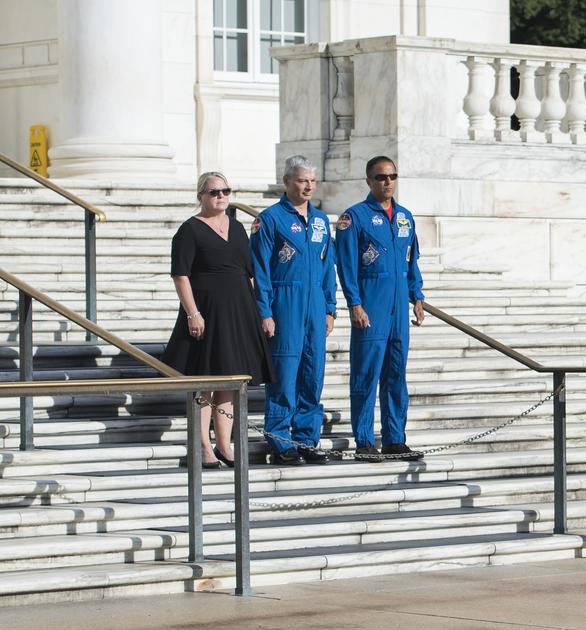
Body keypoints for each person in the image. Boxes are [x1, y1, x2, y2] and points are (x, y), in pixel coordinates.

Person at [161, 171, 273, 469]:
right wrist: (192, 312)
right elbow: (180, 274)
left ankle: (225, 445)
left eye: (225, 191)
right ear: (201, 195)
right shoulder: (189, 230)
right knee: (205, 381)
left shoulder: (236, 228)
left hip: (238, 310)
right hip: (207, 310)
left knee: (230, 379)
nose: (221, 196)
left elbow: (248, 273)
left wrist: (259, 313)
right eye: (213, 192)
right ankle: (202, 447)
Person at [334, 156, 425, 462]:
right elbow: (346, 266)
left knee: (396, 375)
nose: (387, 182)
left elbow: (412, 259)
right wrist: (355, 304)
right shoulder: (354, 217)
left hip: (399, 306)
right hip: (371, 304)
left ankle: (395, 439)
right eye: (381, 177)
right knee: (366, 374)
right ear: (369, 181)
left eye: (392, 176)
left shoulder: (405, 217)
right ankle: (363, 440)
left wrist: (417, 295)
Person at [249, 155, 336, 466]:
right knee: (285, 375)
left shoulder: (320, 221)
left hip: (314, 305)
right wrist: (265, 311)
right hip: (285, 303)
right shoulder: (271, 219)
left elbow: (328, 267)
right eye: (302, 180)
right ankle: (281, 440)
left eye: (312, 180)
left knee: (312, 375)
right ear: (287, 182)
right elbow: (259, 269)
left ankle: (306, 439)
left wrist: (330, 308)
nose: (308, 185)